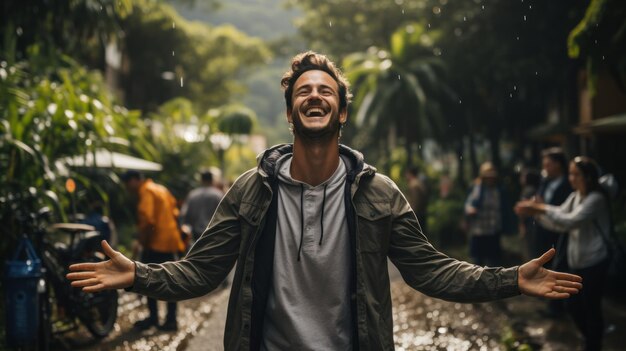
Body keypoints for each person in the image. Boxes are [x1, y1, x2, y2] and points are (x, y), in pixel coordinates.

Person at [68, 52, 582, 350]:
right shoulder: (251, 190)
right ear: (291, 112)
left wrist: (512, 279)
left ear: (341, 113)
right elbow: (200, 272)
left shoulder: (378, 193)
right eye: (304, 91)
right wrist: (137, 273)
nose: (315, 95)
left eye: (326, 91)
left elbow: (431, 272)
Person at [516, 156, 609, 351]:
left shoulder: (596, 199)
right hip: (577, 260)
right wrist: (538, 214)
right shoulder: (576, 196)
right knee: (573, 305)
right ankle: (588, 338)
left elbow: (570, 221)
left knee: (591, 307)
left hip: (595, 260)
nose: (572, 178)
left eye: (576, 174)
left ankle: (593, 344)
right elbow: (559, 220)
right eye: (571, 174)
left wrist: (540, 208)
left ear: (588, 177)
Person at [120, 170, 185, 332]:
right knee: (171, 280)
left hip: (156, 243)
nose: (128, 189)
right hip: (170, 242)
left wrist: (142, 242)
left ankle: (154, 317)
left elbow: (148, 220)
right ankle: (171, 319)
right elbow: (175, 212)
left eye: (127, 185)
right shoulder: (161, 189)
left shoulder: (146, 191)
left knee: (148, 279)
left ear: (135, 180)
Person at [464, 162, 514, 266]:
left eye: (492, 176)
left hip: (493, 230)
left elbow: (505, 209)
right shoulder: (476, 188)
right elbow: (468, 204)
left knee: (493, 262)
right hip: (478, 230)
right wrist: (470, 210)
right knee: (477, 263)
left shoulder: (500, 190)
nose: (490, 179)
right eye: (487, 177)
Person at [180, 168, 225, 243]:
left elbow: (184, 215)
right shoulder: (218, 195)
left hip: (196, 237)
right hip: (214, 236)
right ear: (212, 180)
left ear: (201, 180)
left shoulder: (193, 195)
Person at [405, 166, 429, 233]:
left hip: (417, 215)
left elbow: (415, 202)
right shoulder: (419, 183)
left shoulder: (414, 185)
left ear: (410, 174)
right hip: (422, 213)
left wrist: (411, 215)